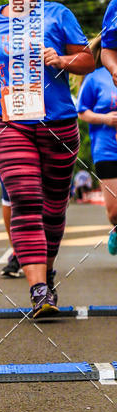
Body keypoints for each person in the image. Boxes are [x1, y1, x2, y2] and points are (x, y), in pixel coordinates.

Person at [0, 0, 94, 318]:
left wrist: (61, 60)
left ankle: (48, 269)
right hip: (6, 121)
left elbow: (89, 59)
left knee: (54, 207)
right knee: (24, 196)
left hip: (56, 122)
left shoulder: (58, 15)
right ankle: (39, 288)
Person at [77, 36, 117, 253]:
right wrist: (105, 119)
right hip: (107, 150)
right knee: (114, 213)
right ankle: (116, 229)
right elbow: (82, 112)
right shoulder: (95, 78)